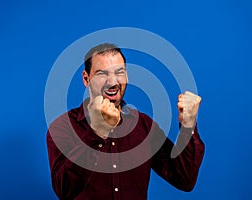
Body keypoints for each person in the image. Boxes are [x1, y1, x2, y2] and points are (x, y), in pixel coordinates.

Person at [46, 43, 205, 200]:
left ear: (127, 75)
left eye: (119, 72)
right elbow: (64, 190)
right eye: (102, 73)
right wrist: (97, 133)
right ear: (86, 79)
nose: (113, 82)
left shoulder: (143, 126)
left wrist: (188, 125)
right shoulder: (63, 127)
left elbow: (184, 178)